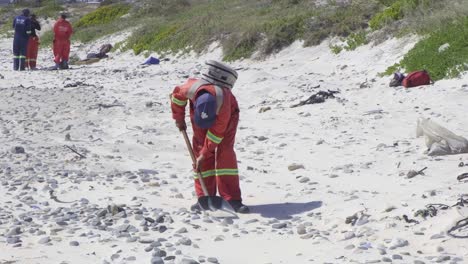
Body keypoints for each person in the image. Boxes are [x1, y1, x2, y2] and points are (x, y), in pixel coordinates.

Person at [170, 60, 249, 213]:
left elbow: (217, 133)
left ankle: (231, 199)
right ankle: (204, 198)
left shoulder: (225, 104)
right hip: (197, 117)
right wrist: (178, 119)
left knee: (225, 153)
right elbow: (177, 97)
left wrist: (205, 153)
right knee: (200, 152)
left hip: (227, 118)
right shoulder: (191, 88)